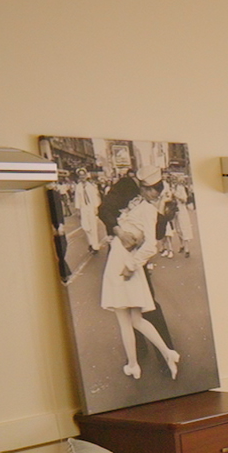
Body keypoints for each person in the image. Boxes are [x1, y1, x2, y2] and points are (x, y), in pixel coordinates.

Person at [93, 152, 179, 381]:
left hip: (135, 255)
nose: (154, 192)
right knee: (131, 309)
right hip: (122, 249)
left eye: (157, 188)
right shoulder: (125, 186)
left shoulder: (157, 199)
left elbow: (156, 236)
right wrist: (119, 232)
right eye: (150, 188)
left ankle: (164, 354)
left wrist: (163, 215)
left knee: (144, 305)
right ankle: (138, 354)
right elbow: (104, 210)